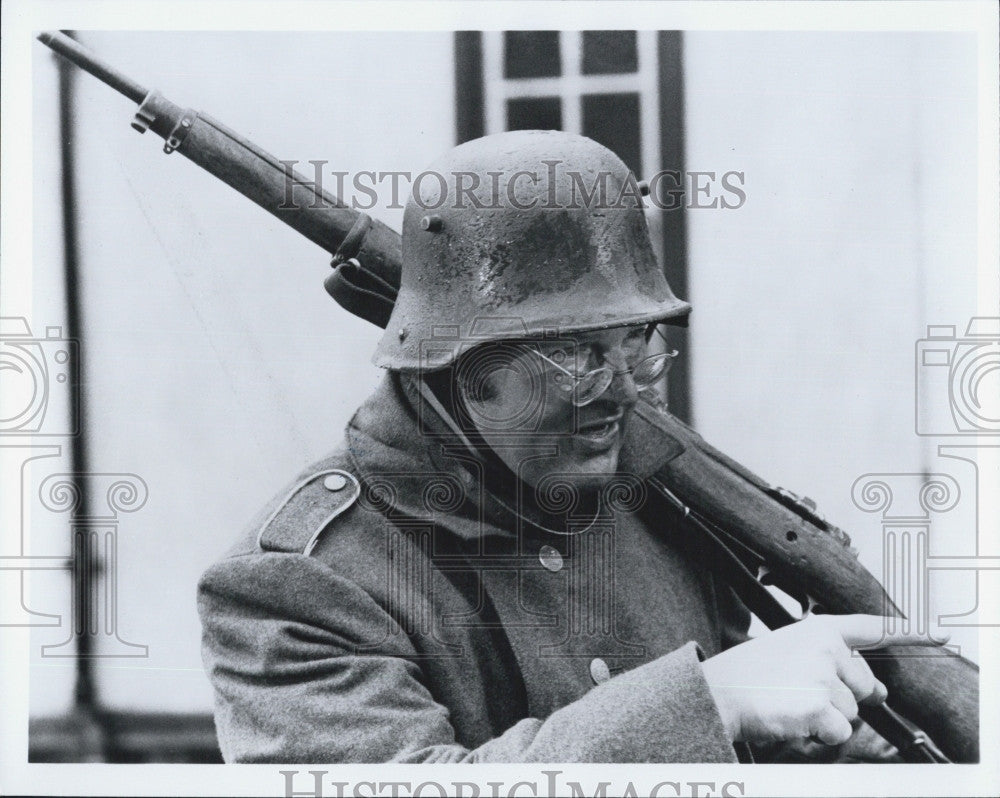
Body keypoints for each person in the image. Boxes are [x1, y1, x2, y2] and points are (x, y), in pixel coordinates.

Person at [197, 130, 931, 763]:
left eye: (636, 343)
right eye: (576, 356)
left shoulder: (662, 495)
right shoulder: (297, 582)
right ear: (458, 363)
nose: (622, 392)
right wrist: (711, 700)